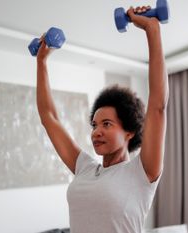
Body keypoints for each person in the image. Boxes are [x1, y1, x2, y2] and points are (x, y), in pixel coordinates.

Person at [35, 5, 169, 233]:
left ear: (129, 132)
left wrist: (152, 30)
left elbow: (157, 106)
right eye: (95, 125)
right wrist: (41, 62)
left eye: (107, 124)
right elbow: (49, 118)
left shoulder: (141, 173)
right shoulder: (85, 167)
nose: (96, 132)